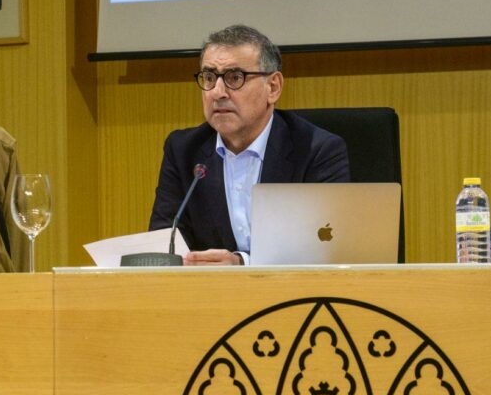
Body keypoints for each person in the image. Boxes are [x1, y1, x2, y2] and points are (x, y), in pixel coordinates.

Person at [149, 24, 350, 266]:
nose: (217, 92)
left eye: (235, 78)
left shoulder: (316, 150)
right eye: (210, 77)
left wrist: (241, 263)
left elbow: (327, 249)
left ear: (273, 87)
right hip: (209, 295)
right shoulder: (183, 150)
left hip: (292, 296)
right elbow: (165, 239)